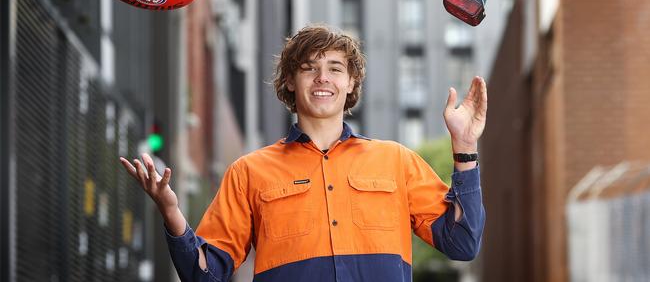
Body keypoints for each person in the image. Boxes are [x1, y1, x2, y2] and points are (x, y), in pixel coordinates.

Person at [119, 25, 487, 282]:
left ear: (351, 82)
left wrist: (465, 148)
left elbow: (462, 243)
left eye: (335, 69)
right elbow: (206, 274)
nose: (322, 78)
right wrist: (171, 212)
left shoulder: (397, 161)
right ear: (290, 82)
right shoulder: (249, 172)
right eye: (309, 69)